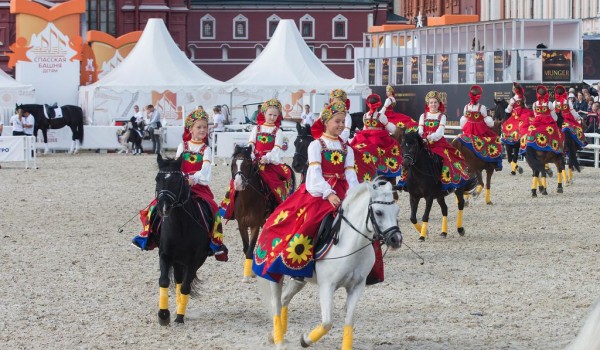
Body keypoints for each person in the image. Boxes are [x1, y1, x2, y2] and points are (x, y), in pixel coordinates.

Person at [252, 101, 358, 282]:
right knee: (309, 221)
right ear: (326, 122)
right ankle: (298, 264)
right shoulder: (316, 145)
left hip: (343, 189)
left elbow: (350, 173)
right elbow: (314, 174)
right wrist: (329, 193)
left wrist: (356, 194)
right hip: (320, 191)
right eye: (337, 121)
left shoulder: (347, 148)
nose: (341, 125)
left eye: (342, 122)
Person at [132, 109, 228, 261]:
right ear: (191, 129)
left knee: (214, 209)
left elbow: (206, 171)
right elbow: (175, 166)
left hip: (198, 187)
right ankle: (147, 235)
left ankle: (215, 242)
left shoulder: (206, 149)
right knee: (154, 206)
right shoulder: (182, 146)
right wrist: (182, 179)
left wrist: (194, 179)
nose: (203, 130)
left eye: (205, 127)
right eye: (199, 127)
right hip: (180, 185)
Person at [220, 98, 294, 219]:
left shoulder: (278, 131)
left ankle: (279, 206)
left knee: (274, 182)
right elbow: (251, 144)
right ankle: (232, 206)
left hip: (269, 162)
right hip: (255, 159)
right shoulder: (257, 128)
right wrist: (252, 156)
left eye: (275, 115)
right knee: (237, 178)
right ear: (264, 113)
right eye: (270, 114)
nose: (272, 117)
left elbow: (276, 149)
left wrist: (267, 158)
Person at [417, 91, 471, 192]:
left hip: (438, 143)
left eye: (435, 102)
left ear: (439, 104)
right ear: (428, 104)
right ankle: (408, 181)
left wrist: (429, 138)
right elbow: (420, 130)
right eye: (431, 102)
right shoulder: (422, 116)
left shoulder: (442, 116)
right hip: (424, 143)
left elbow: (440, 132)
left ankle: (444, 181)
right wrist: (422, 138)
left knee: (445, 159)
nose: (433, 104)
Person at [350, 93, 402, 179]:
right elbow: (390, 128)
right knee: (394, 146)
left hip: (365, 137)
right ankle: (388, 170)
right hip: (378, 138)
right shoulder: (381, 116)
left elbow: (364, 128)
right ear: (378, 104)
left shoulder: (364, 116)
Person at [456, 85, 503, 172]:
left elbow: (464, 119)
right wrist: (492, 123)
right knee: (494, 140)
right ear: (479, 96)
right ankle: (495, 163)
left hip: (468, 129)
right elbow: (487, 120)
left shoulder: (466, 107)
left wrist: (464, 127)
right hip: (480, 129)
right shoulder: (482, 108)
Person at [520, 85, 563, 155]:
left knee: (529, 131)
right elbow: (555, 118)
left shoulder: (534, 104)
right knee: (556, 134)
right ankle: (557, 150)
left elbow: (535, 115)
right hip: (548, 123)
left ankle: (525, 147)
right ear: (546, 93)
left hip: (536, 123)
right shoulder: (549, 103)